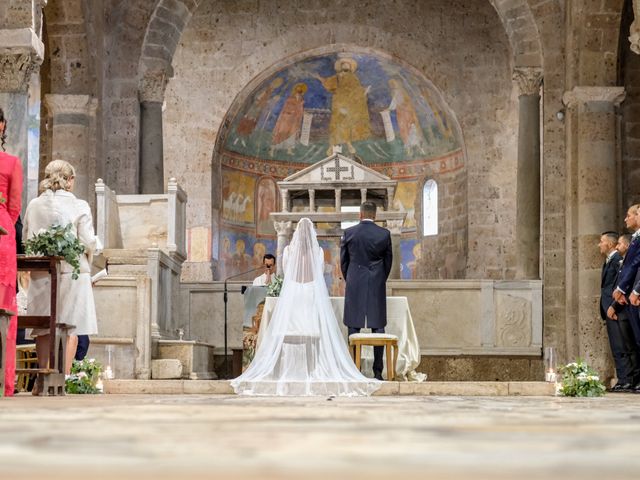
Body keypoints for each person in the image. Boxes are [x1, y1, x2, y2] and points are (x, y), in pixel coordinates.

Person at [231, 218, 380, 396]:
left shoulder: (287, 251)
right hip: (311, 293)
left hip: (293, 294)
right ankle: (313, 368)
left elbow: (287, 272)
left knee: (290, 330)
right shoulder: (318, 252)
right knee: (312, 329)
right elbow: (319, 272)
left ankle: (288, 369)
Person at [23, 160, 101, 379]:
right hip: (71, 273)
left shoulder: (34, 205)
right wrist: (96, 244)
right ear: (70, 180)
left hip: (41, 273)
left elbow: (26, 238)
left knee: (42, 328)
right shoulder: (79, 205)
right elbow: (86, 240)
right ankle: (62, 380)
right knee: (71, 327)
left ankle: (42, 379)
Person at [340, 201, 393, 380]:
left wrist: (352, 278)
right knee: (378, 326)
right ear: (375, 215)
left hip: (355, 280)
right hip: (376, 281)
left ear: (360, 215)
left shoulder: (349, 233)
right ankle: (378, 372)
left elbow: (344, 262)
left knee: (353, 325)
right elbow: (388, 263)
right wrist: (379, 278)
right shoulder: (384, 234)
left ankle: (354, 371)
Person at [0, 106, 23, 397]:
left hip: (2, 236)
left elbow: (14, 208)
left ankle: (4, 380)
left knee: (3, 307)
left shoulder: (11, 163)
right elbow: (14, 208)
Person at [315, 57, 371, 155]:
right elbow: (329, 84)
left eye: (347, 64)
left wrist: (364, 91)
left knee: (347, 124)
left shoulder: (354, 78)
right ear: (341, 67)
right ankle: (331, 146)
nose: (345, 65)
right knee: (336, 124)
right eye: (343, 64)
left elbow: (357, 90)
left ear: (350, 67)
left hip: (349, 104)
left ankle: (349, 145)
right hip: (339, 103)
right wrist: (320, 78)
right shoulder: (338, 76)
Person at [607, 233, 640, 391]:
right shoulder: (622, 261)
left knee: (632, 345)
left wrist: (617, 300)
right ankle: (627, 380)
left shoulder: (619, 261)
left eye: (619, 243)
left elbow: (628, 279)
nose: (617, 246)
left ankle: (632, 379)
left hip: (628, 304)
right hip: (623, 303)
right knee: (625, 346)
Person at [598, 231, 630, 389]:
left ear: (610, 244)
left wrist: (613, 306)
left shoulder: (617, 259)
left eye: (602, 241)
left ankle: (626, 379)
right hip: (608, 308)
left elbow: (618, 285)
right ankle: (623, 379)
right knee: (617, 346)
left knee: (622, 346)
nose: (599, 244)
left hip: (616, 309)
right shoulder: (609, 260)